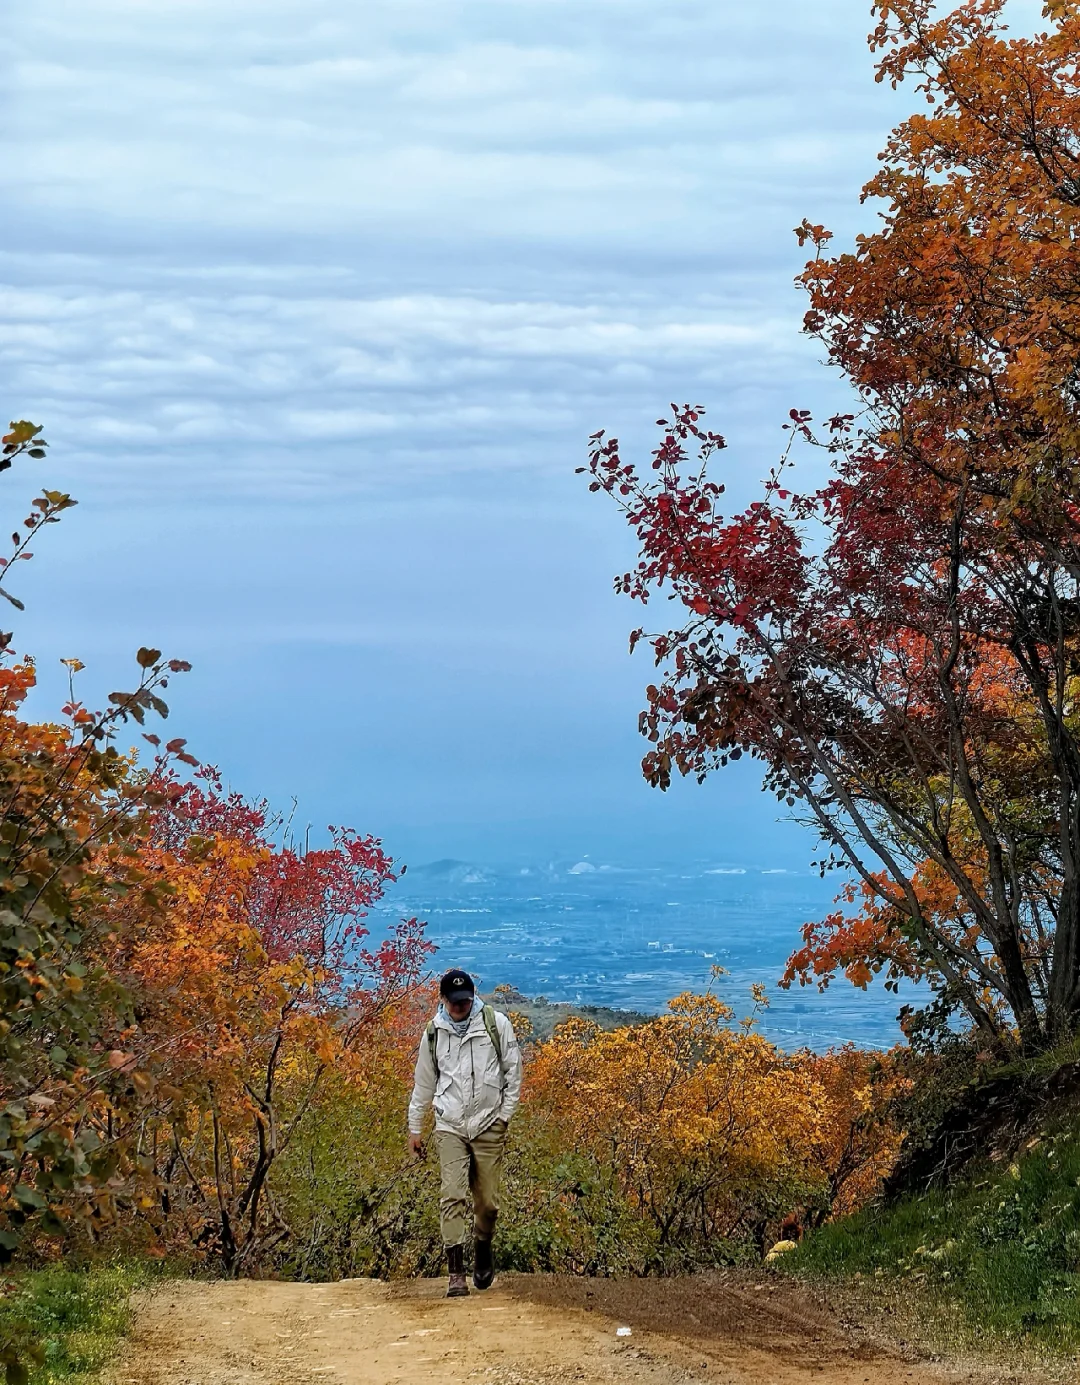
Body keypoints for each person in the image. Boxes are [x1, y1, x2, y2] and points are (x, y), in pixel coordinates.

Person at [407, 969, 522, 1297]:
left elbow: (513, 1071)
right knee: (452, 1194)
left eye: (466, 1001)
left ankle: (483, 1247)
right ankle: (455, 1273)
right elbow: (424, 1083)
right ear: (443, 1000)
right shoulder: (433, 1034)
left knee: (487, 1204)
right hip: (450, 1124)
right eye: (454, 1002)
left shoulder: (495, 1024)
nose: (460, 1007)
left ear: (473, 997)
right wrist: (415, 1127)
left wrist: (504, 1117)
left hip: (488, 1123)